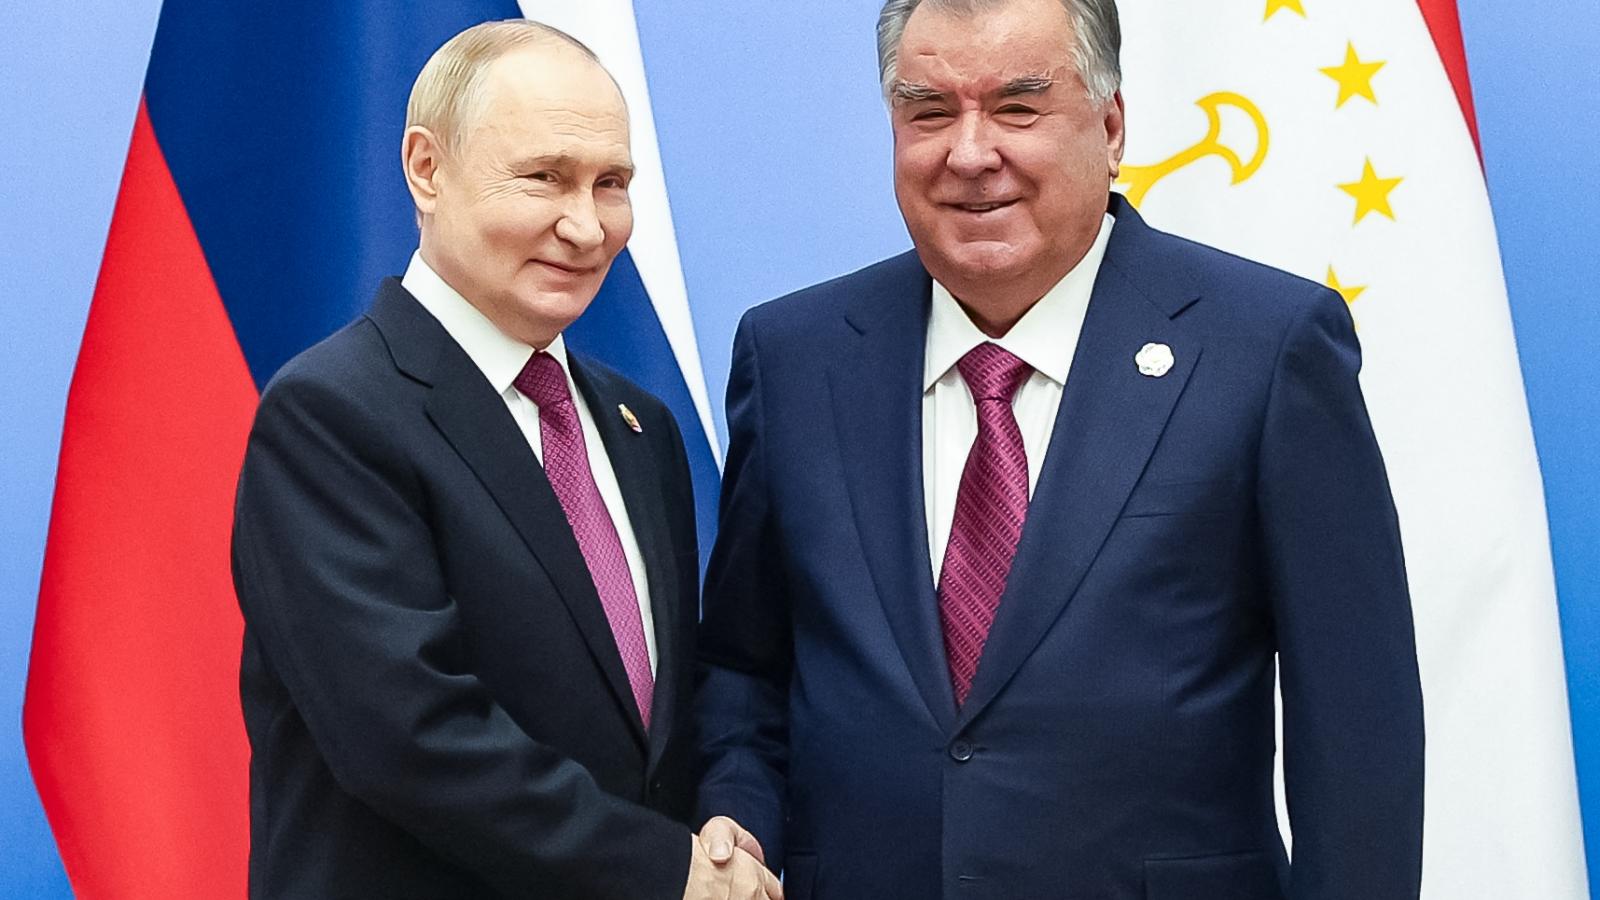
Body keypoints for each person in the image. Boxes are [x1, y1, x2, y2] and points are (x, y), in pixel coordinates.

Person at [694, 0, 1424, 896]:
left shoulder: (1265, 348)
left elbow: (1357, 723)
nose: (969, 154)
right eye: (930, 112)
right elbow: (744, 669)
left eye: (1018, 107)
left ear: (1110, 127)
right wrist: (738, 820)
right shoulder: (794, 357)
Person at [232, 20, 778, 900]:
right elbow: (408, 737)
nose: (586, 225)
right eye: (544, 178)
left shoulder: (642, 429)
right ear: (426, 169)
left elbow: (662, 730)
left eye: (611, 183)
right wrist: (663, 869)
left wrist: (720, 825)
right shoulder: (332, 415)